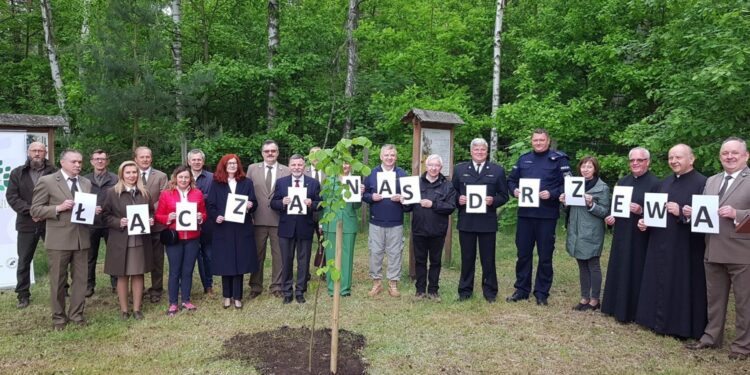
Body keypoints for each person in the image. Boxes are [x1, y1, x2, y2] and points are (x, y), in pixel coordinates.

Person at [685, 137, 750, 360]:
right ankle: (711, 337)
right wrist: (692, 213)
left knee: (744, 302)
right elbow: (705, 211)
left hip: (742, 252)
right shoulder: (712, 180)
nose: (729, 157)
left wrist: (738, 214)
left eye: (734, 153)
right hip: (712, 248)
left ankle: (742, 346)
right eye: (725, 153)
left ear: (746, 156)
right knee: (714, 298)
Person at [635, 144, 707, 339]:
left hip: (686, 245)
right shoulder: (664, 182)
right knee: (659, 278)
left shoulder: (703, 183)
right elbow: (654, 211)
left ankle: (679, 326)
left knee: (681, 282)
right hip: (659, 241)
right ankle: (654, 321)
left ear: (691, 159)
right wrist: (645, 222)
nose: (674, 161)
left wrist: (683, 212)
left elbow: (707, 219)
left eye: (678, 157)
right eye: (671, 158)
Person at [506, 128, 571, 306]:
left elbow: (569, 185)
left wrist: (551, 194)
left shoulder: (559, 159)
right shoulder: (524, 158)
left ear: (548, 141)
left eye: (541, 140)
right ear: (531, 141)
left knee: (545, 256)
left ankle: (542, 292)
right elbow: (511, 180)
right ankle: (521, 290)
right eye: (535, 140)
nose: (538, 143)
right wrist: (515, 191)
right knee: (523, 254)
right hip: (525, 215)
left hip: (546, 216)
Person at [30, 149, 92, 330]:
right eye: (74, 162)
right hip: (59, 239)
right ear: (62, 162)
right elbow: (35, 210)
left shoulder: (86, 182)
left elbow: (83, 209)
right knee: (58, 280)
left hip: (81, 238)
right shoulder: (47, 181)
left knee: (81, 279)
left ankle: (76, 314)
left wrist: (92, 210)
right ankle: (58, 317)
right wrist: (58, 208)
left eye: (80, 162)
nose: (78, 165)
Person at [600, 147, 659, 323]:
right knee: (620, 267)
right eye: (632, 160)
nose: (635, 163)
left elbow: (658, 214)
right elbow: (615, 206)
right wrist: (611, 217)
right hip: (622, 234)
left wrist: (641, 211)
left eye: (639, 160)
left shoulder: (656, 184)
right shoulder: (623, 182)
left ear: (647, 162)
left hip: (641, 237)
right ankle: (614, 306)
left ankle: (634, 311)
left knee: (636, 270)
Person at [452, 139, 508, 302]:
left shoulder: (497, 171)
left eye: (483, 149)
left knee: (488, 258)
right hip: (467, 221)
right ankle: (464, 291)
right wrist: (458, 199)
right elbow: (452, 192)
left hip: (487, 221)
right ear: (471, 151)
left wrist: (493, 201)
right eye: (476, 149)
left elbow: (504, 196)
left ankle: (490, 291)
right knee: (467, 258)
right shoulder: (460, 169)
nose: (479, 152)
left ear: (487, 151)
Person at [101, 161, 153, 320]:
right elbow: (104, 216)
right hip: (120, 240)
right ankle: (124, 310)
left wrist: (150, 219)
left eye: (134, 172)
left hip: (139, 240)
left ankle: (137, 309)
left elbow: (151, 211)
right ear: (121, 175)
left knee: (138, 273)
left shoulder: (145, 193)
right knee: (122, 275)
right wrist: (118, 222)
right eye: (128, 173)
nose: (132, 175)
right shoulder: (112, 192)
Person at [7, 141, 56, 309]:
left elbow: (60, 196)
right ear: (28, 152)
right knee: (24, 260)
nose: (37, 153)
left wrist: (44, 211)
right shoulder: (17, 173)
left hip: (50, 222)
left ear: (45, 153)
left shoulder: (54, 172)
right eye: (34, 150)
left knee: (57, 258)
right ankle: (23, 295)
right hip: (27, 223)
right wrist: (32, 211)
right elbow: (12, 197)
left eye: (40, 151)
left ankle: (62, 290)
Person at [207, 154, 259, 309]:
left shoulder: (247, 182)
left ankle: (237, 297)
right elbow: (210, 205)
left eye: (235, 163)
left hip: (242, 227)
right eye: (229, 163)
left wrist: (250, 205)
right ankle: (227, 296)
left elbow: (255, 203)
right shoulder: (217, 183)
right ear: (223, 165)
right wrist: (216, 217)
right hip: (224, 228)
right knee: (226, 262)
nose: (232, 165)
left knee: (239, 262)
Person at [154, 165, 207, 316]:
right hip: (174, 238)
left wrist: (200, 217)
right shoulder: (166, 194)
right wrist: (168, 218)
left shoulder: (197, 193)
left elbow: (204, 213)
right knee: (174, 271)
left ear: (190, 178)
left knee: (188, 270)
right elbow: (158, 215)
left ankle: (186, 299)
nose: (183, 180)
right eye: (181, 177)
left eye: (186, 177)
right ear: (175, 178)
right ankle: (172, 302)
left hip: (192, 238)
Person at [559, 156, 610, 311]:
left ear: (595, 169)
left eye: (589, 166)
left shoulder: (602, 188)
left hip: (592, 232)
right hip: (576, 230)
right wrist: (564, 202)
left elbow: (605, 212)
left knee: (593, 264)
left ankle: (594, 300)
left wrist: (591, 204)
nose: (585, 169)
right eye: (583, 166)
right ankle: (584, 297)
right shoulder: (574, 185)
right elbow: (568, 209)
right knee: (581, 264)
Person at [403, 154, 456, 301]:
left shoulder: (447, 185)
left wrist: (433, 204)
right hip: (419, 229)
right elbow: (408, 208)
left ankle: (433, 291)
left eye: (436, 165)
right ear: (426, 166)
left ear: (441, 167)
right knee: (419, 261)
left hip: (437, 230)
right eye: (431, 165)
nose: (433, 168)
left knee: (435, 261)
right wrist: (403, 201)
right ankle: (420, 290)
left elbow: (451, 207)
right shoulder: (416, 183)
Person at [270, 154, 322, 304]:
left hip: (305, 227)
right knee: (286, 260)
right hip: (286, 228)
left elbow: (321, 203)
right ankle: (287, 291)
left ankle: (300, 291)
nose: (297, 168)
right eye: (294, 165)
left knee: (303, 260)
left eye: (299, 165)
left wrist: (312, 203)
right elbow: (273, 203)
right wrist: (282, 203)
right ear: (289, 166)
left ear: (304, 167)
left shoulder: (313, 183)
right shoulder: (281, 182)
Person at [247, 140, 290, 298]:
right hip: (257, 219)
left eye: (273, 151)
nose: (270, 153)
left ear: (278, 152)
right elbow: (246, 192)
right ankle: (255, 286)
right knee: (257, 254)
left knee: (279, 254)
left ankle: (277, 286)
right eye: (267, 151)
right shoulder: (252, 169)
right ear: (262, 153)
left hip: (279, 219)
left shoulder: (286, 170)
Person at [363, 144, 407, 297]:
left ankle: (393, 283)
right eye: (387, 155)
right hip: (376, 221)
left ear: (396, 157)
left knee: (395, 253)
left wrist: (402, 198)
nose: (389, 158)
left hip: (396, 221)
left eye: (392, 155)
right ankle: (376, 282)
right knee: (375, 252)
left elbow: (410, 197)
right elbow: (364, 194)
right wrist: (371, 197)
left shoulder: (402, 174)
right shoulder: (371, 173)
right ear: (381, 156)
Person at [321, 161, 363, 296]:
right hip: (331, 222)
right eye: (342, 164)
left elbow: (356, 206)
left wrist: (359, 194)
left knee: (347, 255)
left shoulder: (355, 180)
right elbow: (324, 201)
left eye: (348, 164)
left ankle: (344, 289)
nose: (345, 166)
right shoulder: (329, 180)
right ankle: (332, 288)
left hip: (349, 221)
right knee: (331, 256)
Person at [135, 146, 168, 303]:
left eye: (148, 156)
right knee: (137, 257)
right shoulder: (130, 174)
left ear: (151, 158)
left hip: (156, 224)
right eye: (142, 157)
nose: (145, 159)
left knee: (157, 258)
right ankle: (137, 290)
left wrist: (149, 213)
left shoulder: (161, 176)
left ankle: (156, 289)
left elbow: (164, 198)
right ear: (136, 159)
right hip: (136, 224)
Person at [83, 149, 118, 297]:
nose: (99, 161)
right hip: (91, 223)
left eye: (103, 159)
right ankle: (89, 285)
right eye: (96, 159)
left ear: (107, 161)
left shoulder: (115, 179)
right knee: (90, 257)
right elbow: (80, 201)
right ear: (91, 161)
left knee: (114, 255)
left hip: (110, 223)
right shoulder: (84, 180)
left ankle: (116, 284)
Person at [188, 149, 215, 296]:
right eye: (194, 160)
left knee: (208, 256)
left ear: (203, 162)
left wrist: (197, 197)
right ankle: (186, 286)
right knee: (190, 256)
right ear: (189, 162)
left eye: (199, 160)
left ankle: (208, 285)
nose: (197, 162)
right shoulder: (183, 177)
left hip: (207, 223)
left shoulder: (212, 178)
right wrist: (202, 197)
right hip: (186, 224)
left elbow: (214, 197)